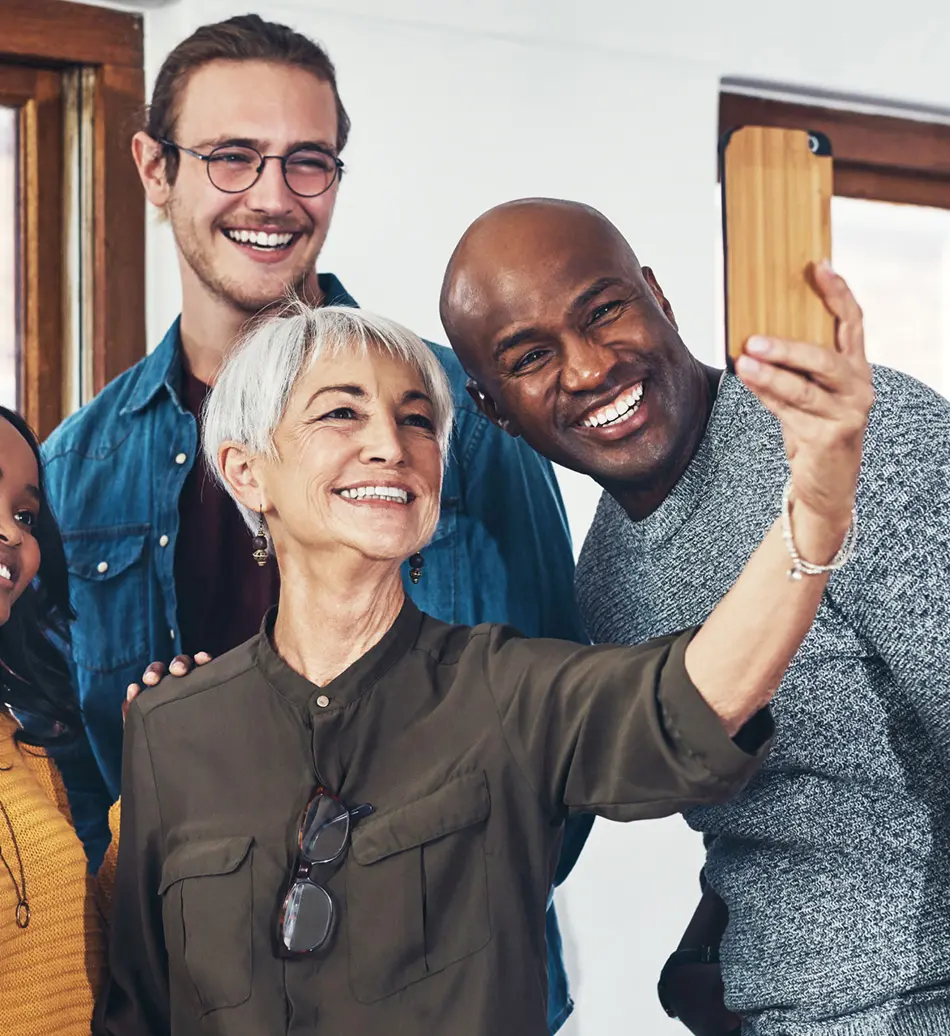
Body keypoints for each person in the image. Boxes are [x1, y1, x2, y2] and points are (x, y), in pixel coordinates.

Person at [97, 299, 866, 1036]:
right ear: (245, 471)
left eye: (416, 420)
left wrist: (817, 513)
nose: (390, 446)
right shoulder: (169, 729)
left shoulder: (508, 691)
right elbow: (135, 1009)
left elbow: (695, 700)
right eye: (341, 412)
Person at [39, 17, 584, 1029]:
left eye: (307, 162)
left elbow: (559, 728)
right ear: (154, 169)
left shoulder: (460, 420)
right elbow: (63, 773)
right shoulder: (75, 467)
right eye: (232, 156)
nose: (273, 196)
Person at [439, 197, 950, 1035]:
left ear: (658, 298)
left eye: (604, 310)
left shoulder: (852, 441)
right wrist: (708, 957)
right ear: (495, 409)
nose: (589, 367)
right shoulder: (601, 579)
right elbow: (755, 816)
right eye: (531, 356)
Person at [0, 406, 118, 1035]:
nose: (12, 533)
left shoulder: (23, 746)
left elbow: (84, 959)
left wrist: (158, 771)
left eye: (25, 515)